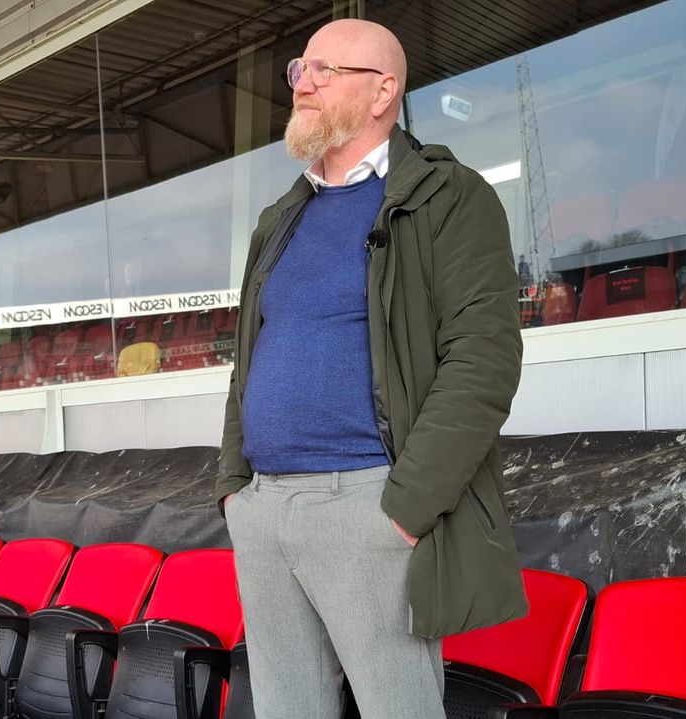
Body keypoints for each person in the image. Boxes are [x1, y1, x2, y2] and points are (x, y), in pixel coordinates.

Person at [216, 18, 527, 719]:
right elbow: (248, 362)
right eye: (301, 69)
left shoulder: (447, 196)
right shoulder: (281, 217)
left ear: (384, 90)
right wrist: (234, 488)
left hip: (365, 505)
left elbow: (483, 360)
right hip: (263, 511)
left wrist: (402, 511)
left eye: (329, 70)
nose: (306, 83)